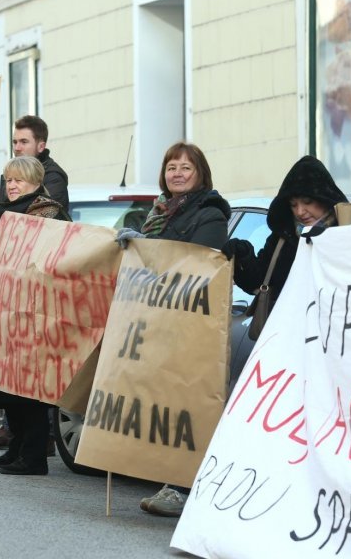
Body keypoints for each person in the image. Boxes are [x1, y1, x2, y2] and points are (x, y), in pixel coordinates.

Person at [116, 141, 231, 517]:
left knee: (185, 405)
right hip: (159, 320)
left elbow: (195, 263)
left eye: (186, 167)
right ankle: (168, 477)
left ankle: (182, 487)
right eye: (171, 167)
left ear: (200, 174)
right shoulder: (158, 211)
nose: (178, 173)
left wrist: (149, 248)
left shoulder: (210, 213)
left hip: (190, 325)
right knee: (162, 400)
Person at [0, 156, 71, 475]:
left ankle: (34, 454)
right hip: (5, 309)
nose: (12, 185)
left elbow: (50, 256)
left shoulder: (46, 212)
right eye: (8, 180)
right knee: (6, 385)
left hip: (31, 313)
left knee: (28, 389)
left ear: (36, 182)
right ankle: (17, 447)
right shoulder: (8, 215)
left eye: (19, 180)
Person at [222, 155, 351, 305]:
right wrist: (244, 255)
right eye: (293, 205)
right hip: (289, 326)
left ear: (325, 198)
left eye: (307, 202)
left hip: (342, 323)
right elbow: (257, 282)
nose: (300, 211)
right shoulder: (283, 236)